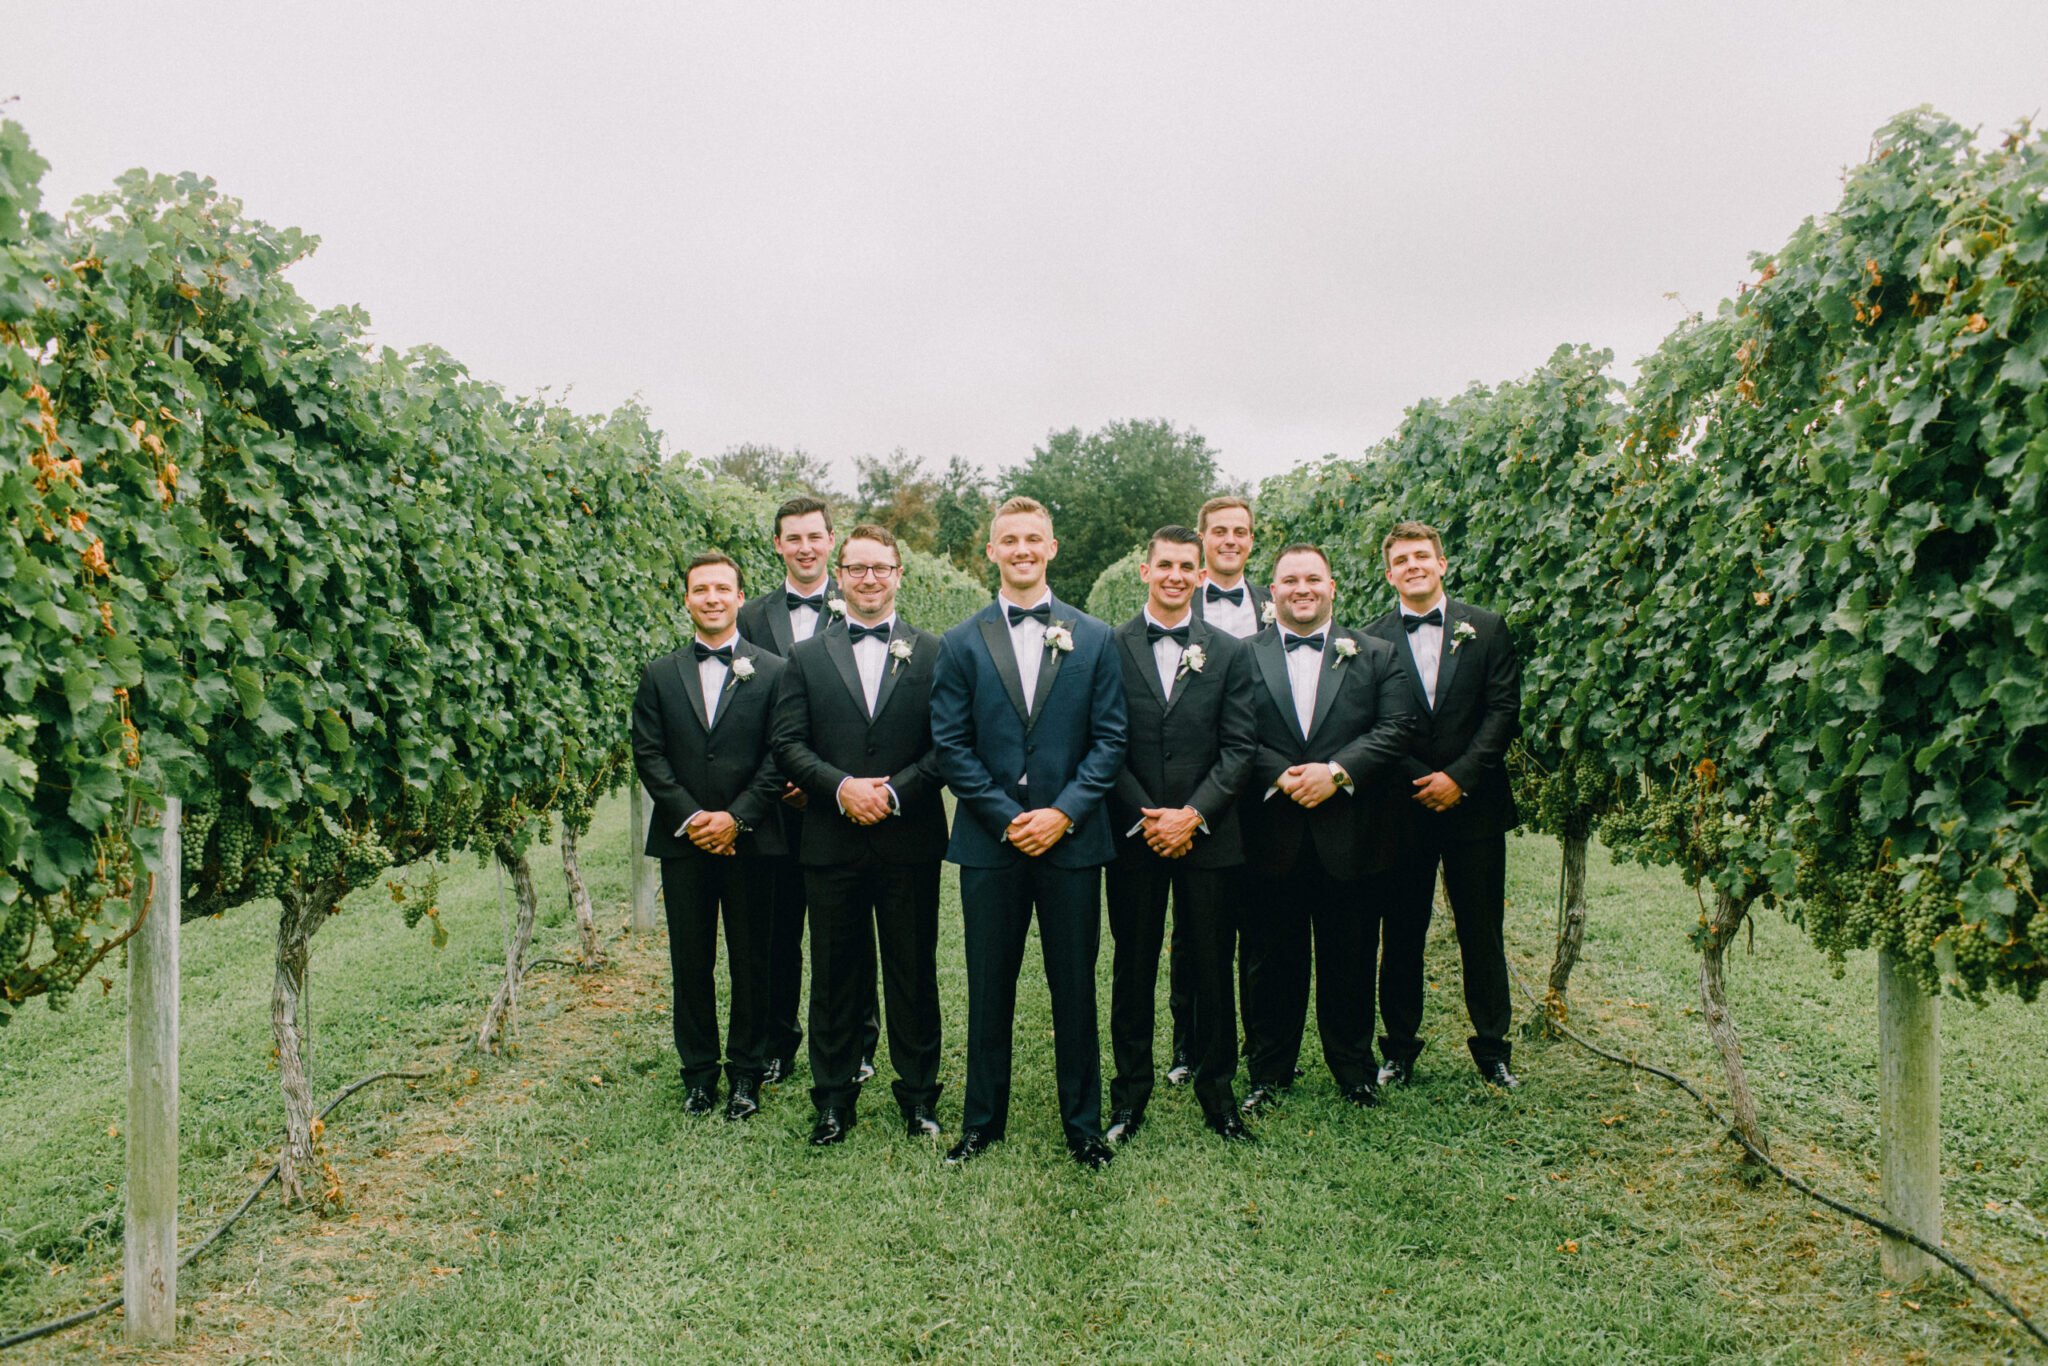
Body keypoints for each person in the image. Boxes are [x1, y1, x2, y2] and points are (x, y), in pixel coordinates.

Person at [929, 496, 1128, 1169]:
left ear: (1052, 547)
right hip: (990, 843)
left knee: (1074, 986)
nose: (1021, 549)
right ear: (991, 551)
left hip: (1071, 841)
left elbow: (1110, 740)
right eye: (1008, 539)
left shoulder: (1094, 637)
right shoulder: (959, 643)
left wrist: (1063, 813)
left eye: (1032, 538)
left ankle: (1084, 1127)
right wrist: (1002, 815)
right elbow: (951, 744)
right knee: (989, 986)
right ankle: (982, 1122)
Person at [770, 525, 948, 1146]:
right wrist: (842, 788)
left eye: (881, 568)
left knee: (912, 971)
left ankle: (920, 1096)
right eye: (857, 569)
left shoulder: (933, 652)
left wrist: (893, 792)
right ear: (840, 576)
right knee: (835, 973)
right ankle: (833, 1099)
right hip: (831, 841)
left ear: (900, 575)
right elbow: (787, 743)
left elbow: (946, 745)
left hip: (909, 839)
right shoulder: (806, 657)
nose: (869, 579)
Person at [1237, 543, 1414, 1115]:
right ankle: (1268, 1071)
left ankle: (1354, 1070)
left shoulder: (1377, 654)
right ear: (1273, 591)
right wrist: (1283, 776)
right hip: (1272, 834)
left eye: (1313, 578)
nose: (1302, 589)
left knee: (1352, 958)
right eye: (1290, 580)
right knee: (1270, 962)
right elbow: (1233, 734)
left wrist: (1335, 773)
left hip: (1352, 836)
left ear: (1333, 586)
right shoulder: (1242, 656)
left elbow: (1395, 728)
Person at [1103, 526, 1258, 1144]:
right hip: (1135, 836)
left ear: (1200, 576)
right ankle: (1129, 1097)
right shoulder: (1107, 646)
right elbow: (1104, 743)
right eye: (1163, 564)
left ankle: (1218, 1097)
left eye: (1185, 567)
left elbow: (1240, 746)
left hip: (1208, 836)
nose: (1174, 575)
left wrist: (1192, 815)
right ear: (1145, 571)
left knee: (1213, 966)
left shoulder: (1229, 651)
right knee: (1133, 965)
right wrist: (1149, 816)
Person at [631, 552, 789, 1121]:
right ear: (687, 600)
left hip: (754, 841)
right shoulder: (659, 674)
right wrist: (695, 819)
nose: (713, 598)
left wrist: (737, 818)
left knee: (753, 961)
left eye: (723, 588)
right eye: (702, 590)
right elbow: (648, 754)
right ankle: (698, 1075)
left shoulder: (773, 670)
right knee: (690, 962)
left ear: (741, 597)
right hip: (685, 843)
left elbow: (780, 753)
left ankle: (746, 1074)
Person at [1366, 521, 1524, 1089]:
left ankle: (1492, 1048)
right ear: (1390, 573)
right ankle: (1399, 1050)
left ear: (1442, 564)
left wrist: (1458, 778)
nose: (1413, 566)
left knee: (1481, 929)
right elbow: (1376, 725)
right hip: (1401, 808)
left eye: (1422, 556)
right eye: (1402, 560)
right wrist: (1421, 779)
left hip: (1475, 807)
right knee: (1401, 932)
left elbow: (1502, 712)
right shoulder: (1372, 640)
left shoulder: (1486, 627)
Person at [735, 494, 880, 1087]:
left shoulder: (865, 605)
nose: (804, 547)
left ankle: (861, 1040)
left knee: (851, 927)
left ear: (831, 541)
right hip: (771, 801)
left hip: (838, 802)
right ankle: (778, 1041)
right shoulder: (751, 618)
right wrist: (778, 783)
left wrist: (828, 785)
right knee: (777, 929)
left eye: (814, 537)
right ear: (777, 545)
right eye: (792, 538)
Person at [1184, 493, 1272, 1083]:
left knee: (1262, 926)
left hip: (1266, 787)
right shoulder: (1174, 600)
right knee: (1193, 932)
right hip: (1194, 789)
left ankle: (1260, 1047)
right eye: (1219, 532)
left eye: (1240, 531)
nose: (1230, 541)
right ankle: (1189, 1048)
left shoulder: (1277, 604)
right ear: (1202, 541)